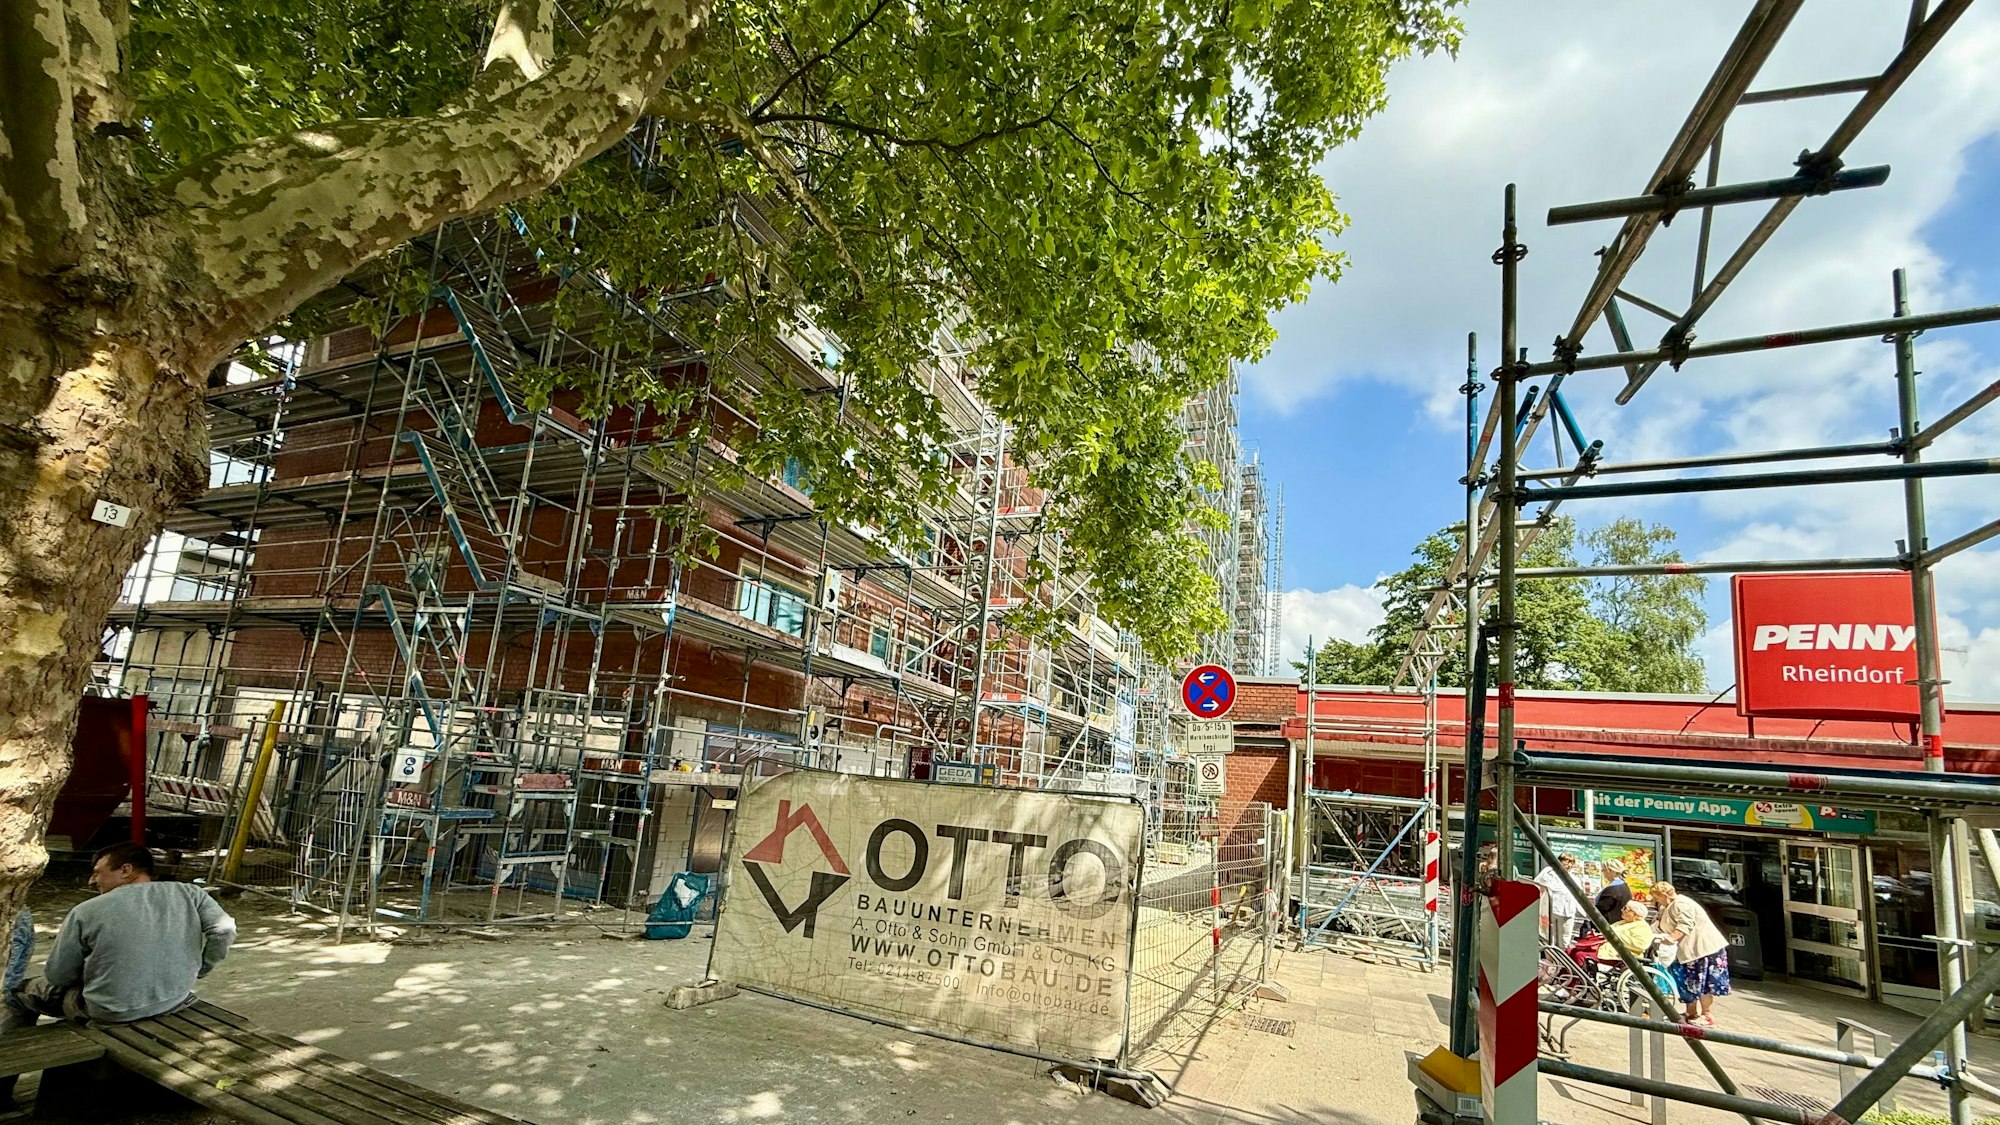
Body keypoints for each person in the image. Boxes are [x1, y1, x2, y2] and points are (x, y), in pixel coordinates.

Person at [3, 843, 237, 1035]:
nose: (92, 881)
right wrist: (200, 969)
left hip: (111, 1011)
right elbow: (224, 930)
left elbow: (59, 976)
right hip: (174, 999)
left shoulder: (87, 910)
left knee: (17, 992)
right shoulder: (191, 893)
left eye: (97, 872)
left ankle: (8, 1070)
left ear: (126, 870)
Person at [1654, 880, 1729, 1026]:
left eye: (1657, 897)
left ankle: (1707, 1015)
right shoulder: (1668, 906)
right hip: (1688, 952)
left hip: (1703, 950)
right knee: (1688, 982)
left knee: (1703, 983)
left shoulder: (1681, 904)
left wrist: (1671, 938)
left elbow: (1684, 925)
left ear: (1663, 895)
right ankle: (1691, 1013)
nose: (1656, 901)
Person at [1534, 854, 1583, 945]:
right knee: (1550, 938)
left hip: (1567, 912)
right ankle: (1550, 958)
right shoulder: (1549, 873)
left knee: (1564, 940)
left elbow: (1579, 895)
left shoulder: (1575, 878)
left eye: (1571, 863)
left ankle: (1562, 958)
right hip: (1551, 910)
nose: (1568, 865)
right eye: (1566, 862)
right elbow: (1537, 883)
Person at [1594, 860, 1632, 925]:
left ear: (1611, 871)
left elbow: (1600, 909)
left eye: (1604, 870)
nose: (1602, 872)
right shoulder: (1624, 886)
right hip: (1619, 922)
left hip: (1607, 924)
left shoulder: (1611, 890)